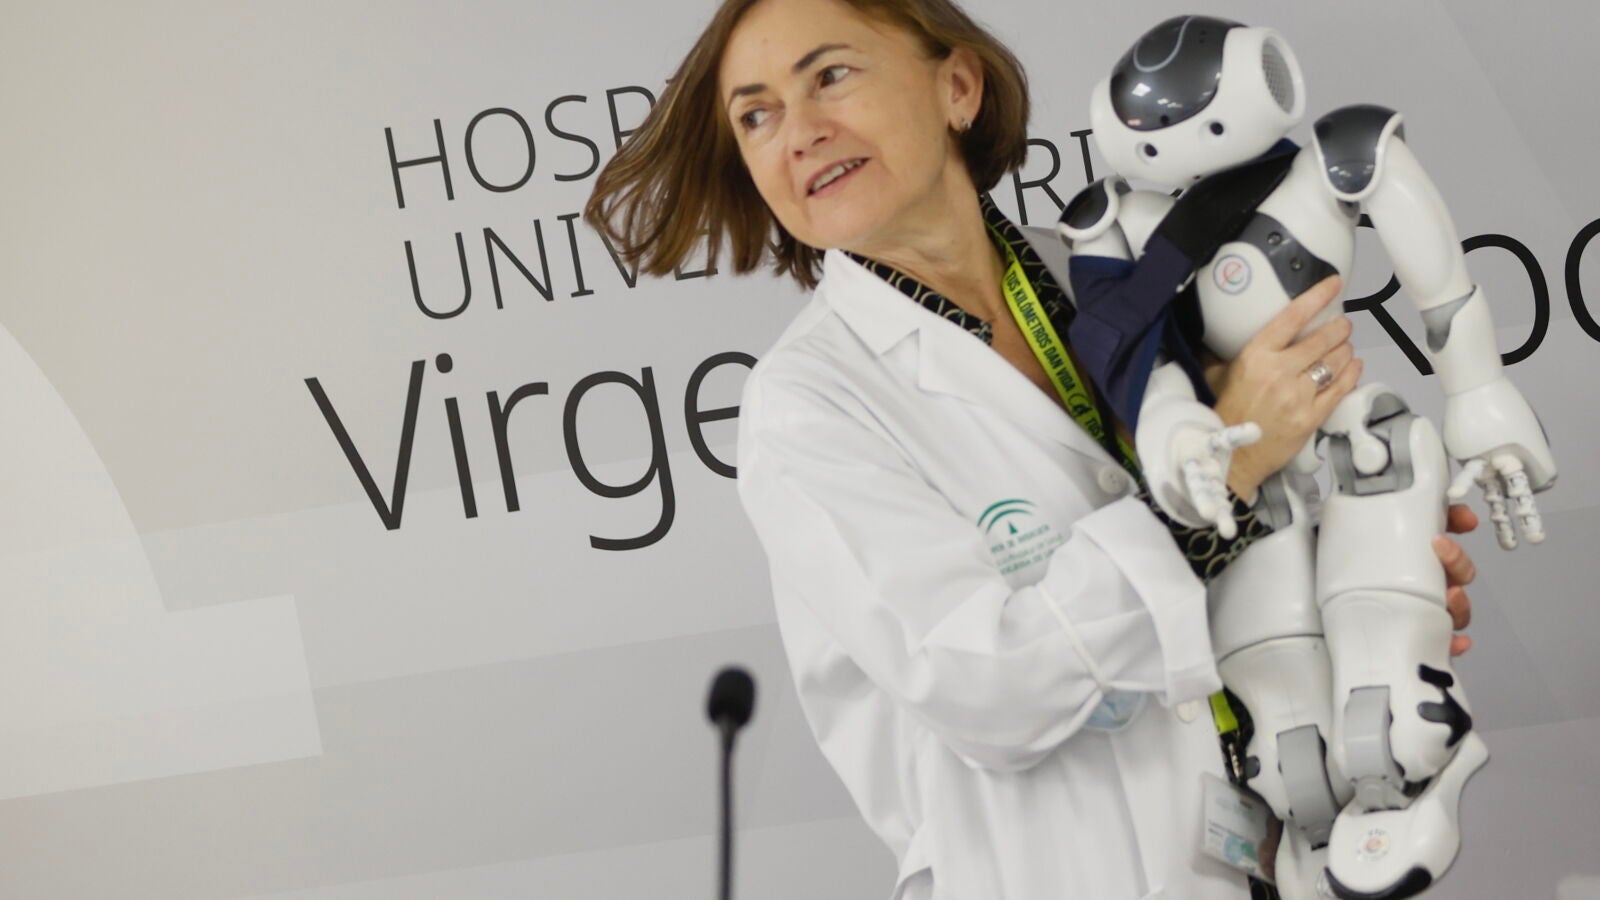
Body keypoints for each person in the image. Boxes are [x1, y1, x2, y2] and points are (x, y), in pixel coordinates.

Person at [584, 1, 1479, 897]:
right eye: (756, 115)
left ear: (958, 87)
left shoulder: (1113, 277)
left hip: (1289, 848)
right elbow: (988, 687)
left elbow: (1251, 541)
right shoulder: (806, 404)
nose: (801, 133)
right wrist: (1230, 467)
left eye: (831, 75)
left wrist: (1365, 576)